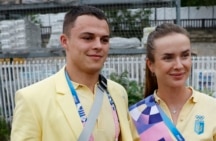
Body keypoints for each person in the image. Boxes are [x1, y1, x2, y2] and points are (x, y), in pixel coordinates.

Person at [11, 5, 138, 141]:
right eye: (88, 38)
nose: (98, 46)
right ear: (65, 41)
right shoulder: (32, 99)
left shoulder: (118, 93)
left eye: (104, 40)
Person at [129, 23, 216, 141]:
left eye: (185, 55)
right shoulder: (136, 116)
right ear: (150, 65)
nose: (179, 65)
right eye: (168, 58)